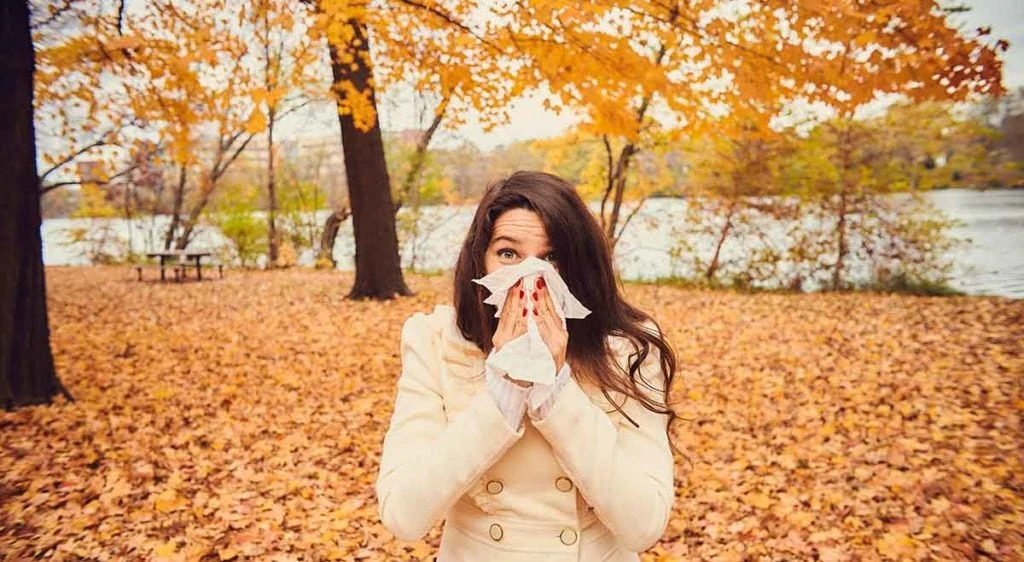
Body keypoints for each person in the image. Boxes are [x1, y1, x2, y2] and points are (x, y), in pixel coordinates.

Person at [375, 170, 680, 561]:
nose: (530, 277)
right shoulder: (434, 340)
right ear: (480, 263)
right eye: (508, 254)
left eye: (551, 257)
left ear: (578, 267)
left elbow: (644, 524)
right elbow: (404, 515)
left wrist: (556, 391)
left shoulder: (627, 348)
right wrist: (504, 391)